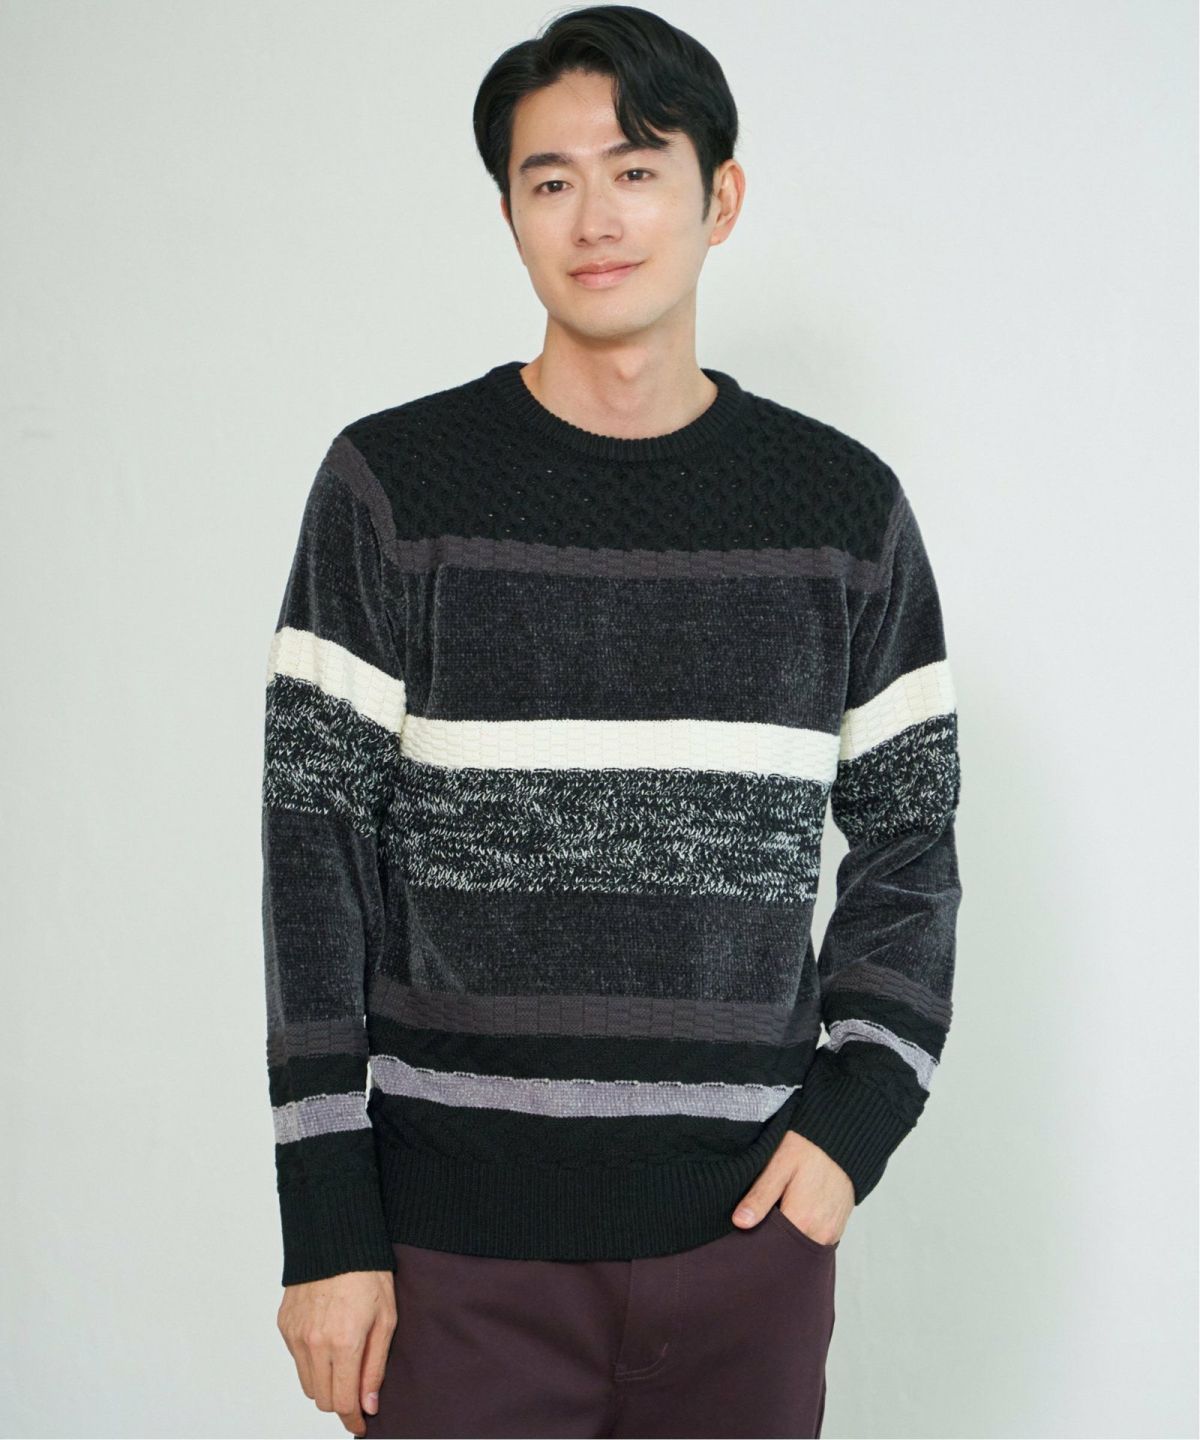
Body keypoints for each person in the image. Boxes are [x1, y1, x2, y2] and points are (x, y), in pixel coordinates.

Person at [260, 5, 963, 1437]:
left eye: (638, 169)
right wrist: (326, 1220)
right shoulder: (392, 489)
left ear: (721, 197)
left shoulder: (843, 510)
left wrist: (853, 1127)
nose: (596, 218)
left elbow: (912, 844)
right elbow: (311, 863)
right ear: (510, 213)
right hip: (453, 1256)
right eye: (552, 179)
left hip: (746, 1249)